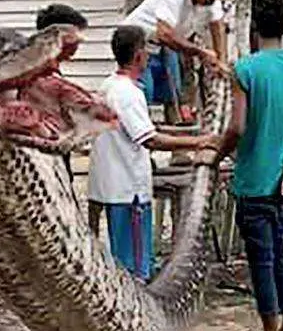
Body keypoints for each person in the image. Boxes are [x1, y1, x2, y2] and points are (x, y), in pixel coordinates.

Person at [203, 0, 283, 331]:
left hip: (254, 180)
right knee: (282, 257)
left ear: (256, 29)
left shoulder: (246, 69)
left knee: (262, 260)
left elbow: (237, 127)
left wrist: (216, 154)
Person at [87, 25, 219, 281]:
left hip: (112, 185)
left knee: (124, 260)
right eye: (146, 51)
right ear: (138, 55)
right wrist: (200, 142)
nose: (149, 56)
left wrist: (188, 136)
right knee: (135, 269)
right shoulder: (128, 93)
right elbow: (151, 140)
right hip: (129, 190)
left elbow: (143, 130)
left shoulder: (109, 85)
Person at [122, 0, 232, 124]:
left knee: (174, 94)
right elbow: (165, 34)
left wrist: (221, 60)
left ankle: (176, 136)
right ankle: (140, 135)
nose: (211, 1)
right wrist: (201, 53)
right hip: (138, 44)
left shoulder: (209, 0)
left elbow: (217, 25)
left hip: (166, 45)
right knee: (144, 92)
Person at [32, 4, 103, 233]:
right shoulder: (35, 72)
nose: (79, 43)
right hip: (42, 163)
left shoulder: (47, 68)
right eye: (74, 37)